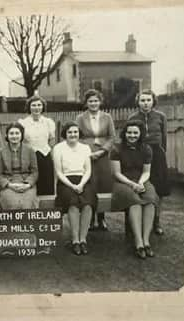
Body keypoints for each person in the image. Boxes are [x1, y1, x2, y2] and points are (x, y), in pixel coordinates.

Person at [110, 119, 159, 259]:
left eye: (135, 133)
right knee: (134, 201)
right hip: (122, 182)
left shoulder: (146, 149)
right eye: (129, 132)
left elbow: (146, 172)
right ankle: (138, 243)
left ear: (140, 134)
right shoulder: (117, 148)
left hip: (141, 180)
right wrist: (132, 184)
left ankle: (146, 241)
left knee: (150, 199)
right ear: (124, 133)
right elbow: (117, 173)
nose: (132, 135)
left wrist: (141, 183)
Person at [127, 89, 170, 235]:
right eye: (142, 100)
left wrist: (161, 152)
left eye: (148, 100)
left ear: (153, 101)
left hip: (157, 154)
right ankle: (140, 221)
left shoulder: (160, 117)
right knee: (142, 185)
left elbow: (164, 138)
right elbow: (130, 138)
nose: (145, 103)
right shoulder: (133, 117)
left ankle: (156, 221)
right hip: (141, 154)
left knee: (159, 189)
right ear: (138, 102)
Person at [52, 121, 96, 256]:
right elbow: (59, 172)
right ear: (65, 134)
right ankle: (75, 240)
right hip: (66, 181)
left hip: (83, 180)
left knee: (88, 204)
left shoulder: (85, 148)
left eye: (75, 132)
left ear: (79, 133)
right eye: (70, 132)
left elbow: (88, 170)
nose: (73, 134)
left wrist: (81, 184)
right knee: (73, 204)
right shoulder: (58, 148)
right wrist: (72, 185)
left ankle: (83, 239)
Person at [76, 89, 116, 231]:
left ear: (100, 102)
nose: (93, 103)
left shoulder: (107, 117)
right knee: (90, 184)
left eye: (96, 101)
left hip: (103, 155)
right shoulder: (80, 118)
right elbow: (77, 137)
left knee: (103, 184)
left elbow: (112, 137)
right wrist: (87, 152)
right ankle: (91, 218)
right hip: (86, 155)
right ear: (86, 103)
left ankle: (101, 217)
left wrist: (102, 150)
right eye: (90, 101)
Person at [0, 122, 39, 209]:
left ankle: (28, 223)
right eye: (11, 133)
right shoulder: (1, 152)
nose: (14, 136)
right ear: (7, 135)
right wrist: (10, 185)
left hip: (26, 182)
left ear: (21, 135)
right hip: (9, 184)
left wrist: (28, 184)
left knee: (27, 205)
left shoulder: (30, 150)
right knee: (13, 204)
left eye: (17, 133)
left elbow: (35, 172)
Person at [19, 95, 56, 196]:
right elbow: (20, 142)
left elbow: (52, 140)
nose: (36, 107)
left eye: (39, 105)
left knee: (47, 184)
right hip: (29, 158)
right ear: (29, 107)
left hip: (45, 156)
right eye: (33, 105)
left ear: (43, 107)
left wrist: (51, 155)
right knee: (31, 185)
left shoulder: (49, 122)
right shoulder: (23, 123)